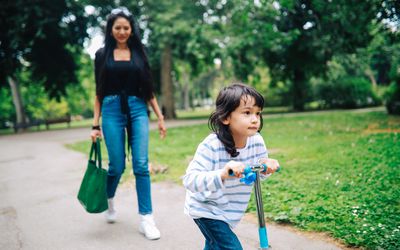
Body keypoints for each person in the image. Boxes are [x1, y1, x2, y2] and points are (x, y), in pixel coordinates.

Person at [90, 7, 166, 240]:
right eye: (117, 28)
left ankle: (147, 218)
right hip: (112, 109)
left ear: (131, 29)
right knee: (117, 165)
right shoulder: (102, 54)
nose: (122, 31)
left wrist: (160, 117)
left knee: (141, 165)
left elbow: (149, 88)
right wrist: (95, 125)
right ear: (111, 30)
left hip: (137, 108)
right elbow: (99, 93)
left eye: (126, 27)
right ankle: (109, 200)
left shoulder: (139, 52)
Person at [183, 83, 280, 249]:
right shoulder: (211, 145)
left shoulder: (256, 141)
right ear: (225, 117)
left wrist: (266, 166)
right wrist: (223, 174)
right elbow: (190, 180)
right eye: (247, 113)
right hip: (207, 209)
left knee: (215, 246)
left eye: (258, 113)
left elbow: (257, 172)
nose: (255, 119)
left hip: (230, 211)